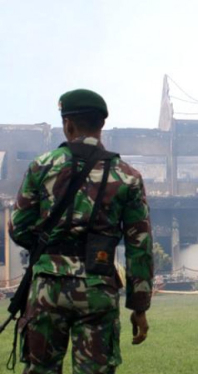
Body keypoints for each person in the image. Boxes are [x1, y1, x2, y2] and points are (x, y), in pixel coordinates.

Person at [9, 89, 154, 373]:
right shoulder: (127, 176)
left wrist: (47, 250)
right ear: (101, 126)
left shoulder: (42, 166)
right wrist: (139, 306)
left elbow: (18, 227)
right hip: (98, 288)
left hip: (47, 289)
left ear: (68, 124)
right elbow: (140, 245)